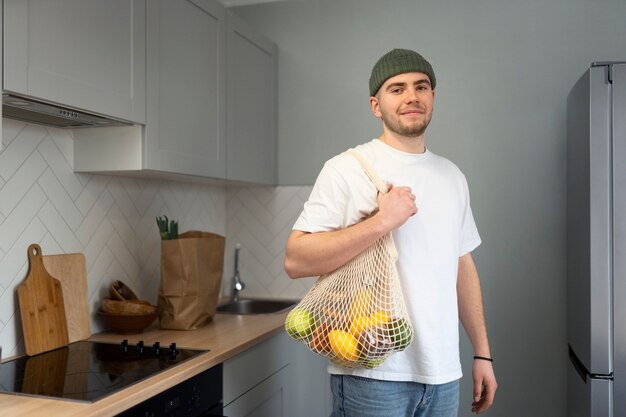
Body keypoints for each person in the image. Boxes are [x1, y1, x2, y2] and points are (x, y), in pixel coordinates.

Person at [284, 48, 497, 416]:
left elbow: (462, 265)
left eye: (421, 87)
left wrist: (482, 352)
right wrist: (382, 221)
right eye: (396, 89)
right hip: (371, 373)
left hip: (445, 374)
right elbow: (295, 259)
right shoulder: (346, 169)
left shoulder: (453, 176)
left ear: (432, 97)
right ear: (376, 105)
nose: (411, 96)